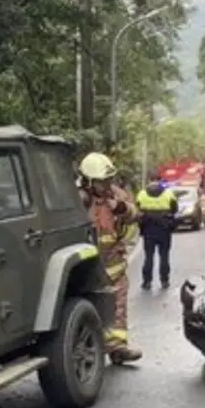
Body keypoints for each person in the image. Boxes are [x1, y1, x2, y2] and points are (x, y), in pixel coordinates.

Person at [78, 152, 143, 364]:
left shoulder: (115, 195)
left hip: (114, 261)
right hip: (88, 266)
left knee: (118, 305)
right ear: (88, 181)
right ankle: (89, 350)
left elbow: (135, 214)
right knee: (89, 307)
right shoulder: (78, 199)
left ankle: (118, 348)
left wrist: (122, 209)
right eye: (101, 181)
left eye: (108, 180)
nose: (106, 185)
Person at [135, 174, 178, 290]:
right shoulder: (168, 193)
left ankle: (147, 282)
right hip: (164, 229)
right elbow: (175, 209)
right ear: (160, 180)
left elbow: (137, 209)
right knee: (164, 256)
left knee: (148, 256)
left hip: (148, 229)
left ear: (149, 180)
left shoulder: (142, 194)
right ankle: (164, 281)